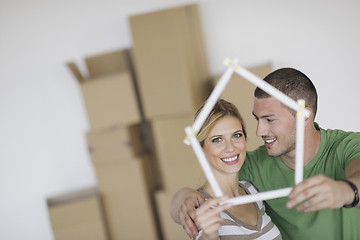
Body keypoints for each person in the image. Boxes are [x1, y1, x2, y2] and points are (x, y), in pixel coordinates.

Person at [170, 68, 360, 240]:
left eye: (269, 119)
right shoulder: (253, 166)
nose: (259, 131)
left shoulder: (346, 146)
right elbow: (212, 188)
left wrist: (345, 191)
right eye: (257, 119)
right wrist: (183, 196)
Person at [190, 99, 281, 239]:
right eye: (217, 139)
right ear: (200, 148)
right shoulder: (201, 209)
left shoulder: (251, 190)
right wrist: (209, 235)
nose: (231, 147)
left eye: (236, 135)